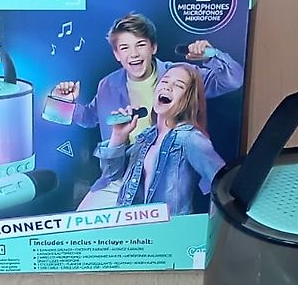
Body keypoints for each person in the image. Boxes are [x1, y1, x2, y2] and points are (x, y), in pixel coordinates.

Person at [51, 13, 243, 145]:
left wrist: (211, 55)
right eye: (125, 48)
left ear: (153, 47)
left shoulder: (180, 75)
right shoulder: (108, 84)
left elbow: (234, 80)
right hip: (121, 174)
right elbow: (89, 118)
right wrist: (62, 103)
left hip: (168, 175)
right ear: (117, 54)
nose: (134, 54)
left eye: (140, 45)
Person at [81, 64, 224, 215]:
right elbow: (111, 175)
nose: (167, 87)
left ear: (188, 99)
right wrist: (118, 136)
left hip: (168, 227)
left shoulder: (189, 137)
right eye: (164, 81)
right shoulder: (146, 138)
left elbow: (223, 182)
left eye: (178, 85)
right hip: (134, 226)